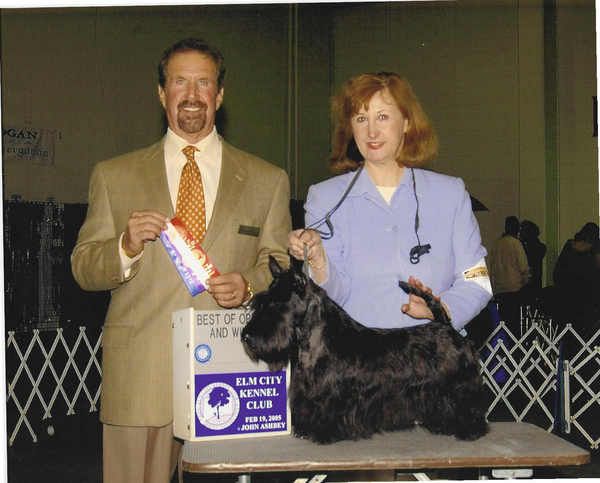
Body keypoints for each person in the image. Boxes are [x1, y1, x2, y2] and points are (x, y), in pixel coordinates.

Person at [71, 38, 291, 483]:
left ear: (220, 95)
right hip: (140, 372)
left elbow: (279, 263)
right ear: (161, 93)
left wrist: (249, 284)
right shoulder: (113, 175)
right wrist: (125, 247)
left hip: (229, 373)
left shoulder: (268, 180)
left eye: (203, 83)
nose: (192, 95)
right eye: (179, 82)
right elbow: (83, 267)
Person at [288, 72, 492, 335]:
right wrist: (318, 260)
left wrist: (441, 310)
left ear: (406, 122)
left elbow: (477, 280)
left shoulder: (450, 193)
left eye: (382, 117)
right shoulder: (325, 198)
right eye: (361, 119)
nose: (371, 131)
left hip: (435, 350)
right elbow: (332, 296)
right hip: (358, 353)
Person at [552, 222, 600, 334]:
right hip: (587, 297)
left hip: (565, 295)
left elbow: (557, 273)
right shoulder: (595, 247)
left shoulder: (569, 245)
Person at [488, 216, 529, 333]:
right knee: (514, 323)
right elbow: (523, 266)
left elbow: (491, 267)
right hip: (514, 288)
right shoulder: (516, 243)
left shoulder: (496, 244)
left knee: (503, 321)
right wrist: (525, 280)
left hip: (499, 289)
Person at [519, 219, 547, 295]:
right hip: (534, 282)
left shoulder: (531, 247)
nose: (520, 234)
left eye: (522, 231)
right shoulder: (539, 247)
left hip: (529, 282)